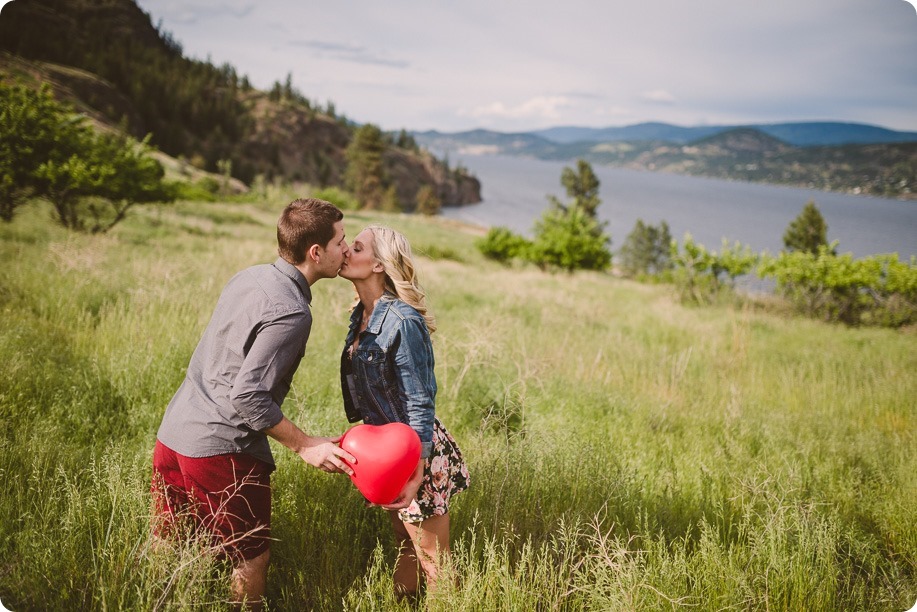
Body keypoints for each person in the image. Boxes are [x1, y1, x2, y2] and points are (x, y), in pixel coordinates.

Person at [151, 198, 357, 611]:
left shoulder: (250, 276)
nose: (346, 249)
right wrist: (304, 444)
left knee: (167, 541)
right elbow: (247, 395)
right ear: (315, 252)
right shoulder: (293, 311)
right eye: (340, 241)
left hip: (173, 435)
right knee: (250, 557)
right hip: (221, 448)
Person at [338, 225, 470, 599]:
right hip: (384, 452)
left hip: (414, 449)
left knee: (434, 559)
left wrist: (419, 463)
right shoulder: (361, 316)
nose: (346, 250)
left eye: (357, 246)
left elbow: (420, 397)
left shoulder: (402, 320)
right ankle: (402, 604)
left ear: (379, 263)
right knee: (402, 540)